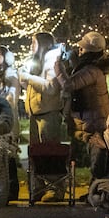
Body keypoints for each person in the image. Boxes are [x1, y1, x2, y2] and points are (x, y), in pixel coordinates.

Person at [19, 32, 65, 201]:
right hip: (35, 113)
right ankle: (38, 187)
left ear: (43, 44)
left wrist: (28, 78)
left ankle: (56, 188)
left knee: (50, 151)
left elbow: (51, 88)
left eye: (34, 42)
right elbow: (33, 86)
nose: (31, 46)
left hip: (48, 113)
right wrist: (25, 80)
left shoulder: (53, 61)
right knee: (36, 152)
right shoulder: (36, 62)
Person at [56, 31, 109, 146]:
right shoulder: (93, 67)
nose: (80, 50)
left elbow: (68, 85)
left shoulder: (92, 70)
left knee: (94, 157)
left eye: (82, 48)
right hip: (92, 120)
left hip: (93, 123)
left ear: (90, 52)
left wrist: (57, 64)